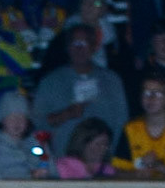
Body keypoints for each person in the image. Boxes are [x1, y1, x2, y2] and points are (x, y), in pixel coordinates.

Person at [32, 26, 127, 170]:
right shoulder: (50, 82)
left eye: (85, 43)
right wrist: (66, 114)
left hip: (102, 166)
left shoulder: (111, 81)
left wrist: (106, 156)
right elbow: (38, 123)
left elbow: (121, 121)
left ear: (95, 46)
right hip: (62, 166)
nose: (80, 49)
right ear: (67, 47)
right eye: (75, 44)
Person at [111, 71, 165, 177]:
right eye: (146, 93)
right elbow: (117, 170)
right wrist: (137, 173)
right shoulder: (131, 128)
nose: (150, 99)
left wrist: (158, 166)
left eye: (157, 94)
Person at [0, 90, 49, 178]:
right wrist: (27, 176)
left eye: (22, 117)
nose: (17, 122)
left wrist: (43, 172)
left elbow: (50, 168)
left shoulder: (36, 142)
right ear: (2, 119)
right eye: (12, 117)